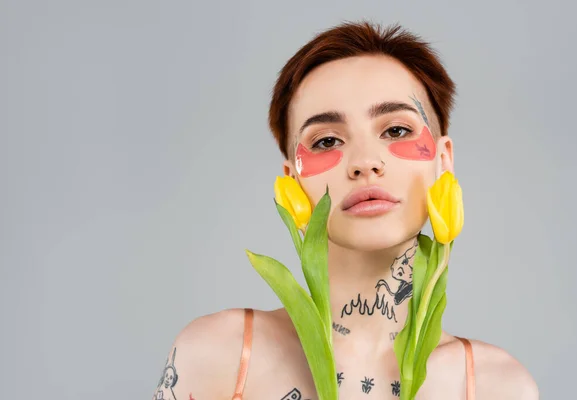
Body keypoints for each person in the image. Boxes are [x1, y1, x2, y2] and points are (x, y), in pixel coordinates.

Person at [151, 20, 539, 400]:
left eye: (397, 131)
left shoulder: (497, 387)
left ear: (443, 162)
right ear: (292, 182)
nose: (365, 162)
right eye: (326, 140)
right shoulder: (223, 355)